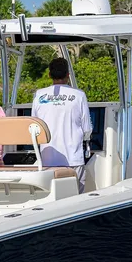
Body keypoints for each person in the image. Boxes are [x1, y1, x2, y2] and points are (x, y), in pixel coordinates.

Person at [32, 58, 92, 193]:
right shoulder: (79, 95)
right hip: (73, 160)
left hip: (47, 162)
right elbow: (87, 129)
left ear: (49, 75)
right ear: (68, 75)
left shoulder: (39, 95)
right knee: (75, 198)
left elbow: (35, 127)